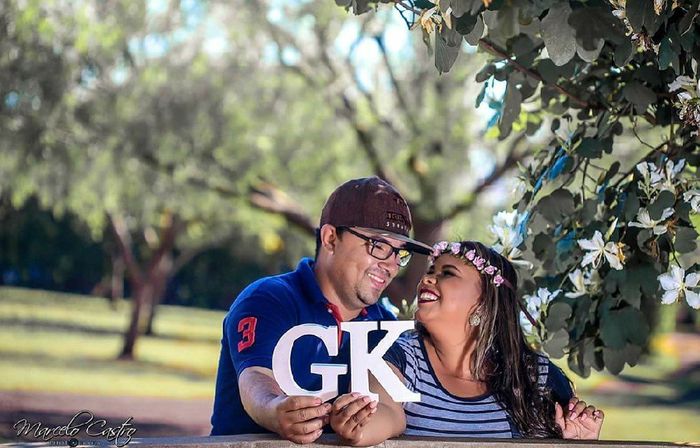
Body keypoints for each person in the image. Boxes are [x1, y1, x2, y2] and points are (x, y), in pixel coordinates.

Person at [210, 177, 432, 443]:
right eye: (378, 246)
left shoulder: (385, 326)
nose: (392, 265)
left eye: (400, 253)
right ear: (330, 239)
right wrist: (274, 409)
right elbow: (255, 376)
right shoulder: (269, 298)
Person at [330, 240, 605, 445]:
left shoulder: (537, 378)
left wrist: (577, 445)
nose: (427, 278)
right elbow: (387, 411)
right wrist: (361, 426)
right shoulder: (397, 354)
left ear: (484, 303)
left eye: (447, 273)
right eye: (431, 270)